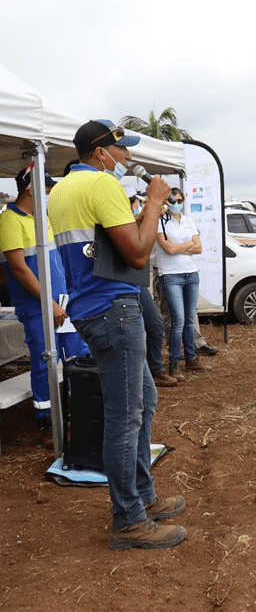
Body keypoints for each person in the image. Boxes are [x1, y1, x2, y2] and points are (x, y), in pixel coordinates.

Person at [48, 119, 186, 551]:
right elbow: (139, 252)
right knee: (125, 419)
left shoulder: (61, 190)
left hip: (91, 308)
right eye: (121, 150)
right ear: (100, 152)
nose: (126, 157)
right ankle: (128, 520)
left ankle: (143, 498)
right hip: (115, 308)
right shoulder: (102, 185)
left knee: (143, 401)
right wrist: (153, 204)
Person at [0, 167, 90, 428]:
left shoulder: (43, 218)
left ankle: (81, 410)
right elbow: (18, 268)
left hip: (62, 303)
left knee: (76, 355)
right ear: (31, 189)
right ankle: (46, 418)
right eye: (47, 191)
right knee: (45, 360)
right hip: (38, 307)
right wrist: (48, 303)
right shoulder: (10, 220)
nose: (50, 195)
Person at [155, 188, 208, 381]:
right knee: (177, 320)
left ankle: (191, 359)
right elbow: (167, 249)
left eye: (179, 199)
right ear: (166, 202)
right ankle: (174, 363)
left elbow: (199, 247)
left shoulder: (188, 220)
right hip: (170, 275)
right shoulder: (160, 221)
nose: (176, 203)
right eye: (172, 200)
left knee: (188, 320)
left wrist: (179, 247)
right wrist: (187, 244)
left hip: (191, 274)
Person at [129, 194, 177, 388]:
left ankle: (155, 370)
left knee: (155, 325)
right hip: (122, 283)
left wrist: (150, 214)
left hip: (134, 282)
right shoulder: (119, 222)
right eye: (137, 203)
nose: (139, 206)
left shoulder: (131, 220)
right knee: (135, 333)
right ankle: (144, 373)